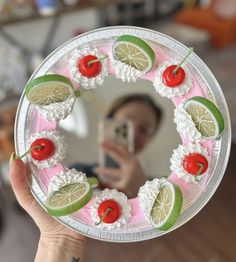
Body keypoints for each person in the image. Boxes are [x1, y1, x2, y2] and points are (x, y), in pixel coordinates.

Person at [73, 93, 163, 198]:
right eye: (126, 123)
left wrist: (144, 194)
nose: (133, 133)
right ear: (107, 122)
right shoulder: (77, 174)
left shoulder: (159, 189)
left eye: (144, 130)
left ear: (149, 140)